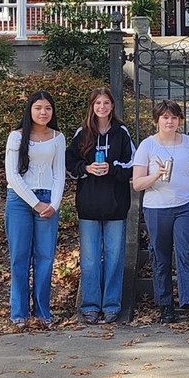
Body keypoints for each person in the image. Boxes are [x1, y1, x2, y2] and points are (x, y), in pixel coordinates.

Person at [132, 100, 189, 331]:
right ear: (156, 121)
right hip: (157, 207)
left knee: (188, 253)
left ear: (179, 120)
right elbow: (138, 184)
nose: (170, 121)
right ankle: (165, 304)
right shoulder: (147, 146)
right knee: (160, 256)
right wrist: (156, 175)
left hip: (187, 204)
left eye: (174, 117)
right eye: (165, 117)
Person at [66, 87, 135, 325]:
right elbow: (70, 162)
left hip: (116, 205)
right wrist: (86, 169)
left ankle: (112, 305)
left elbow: (132, 165)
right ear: (92, 107)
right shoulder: (82, 133)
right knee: (90, 258)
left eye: (106, 103)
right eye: (98, 103)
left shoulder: (122, 133)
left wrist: (112, 169)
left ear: (112, 106)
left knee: (114, 256)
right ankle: (91, 305)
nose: (102, 107)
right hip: (89, 206)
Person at [4, 90, 65, 329]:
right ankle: (19, 312)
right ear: (30, 110)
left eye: (48, 108)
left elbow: (59, 173)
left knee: (45, 258)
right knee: (19, 257)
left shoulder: (58, 137)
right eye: (38, 108)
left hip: (48, 199)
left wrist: (54, 204)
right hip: (20, 201)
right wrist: (35, 203)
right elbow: (12, 175)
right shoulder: (16, 137)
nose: (43, 112)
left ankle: (42, 312)